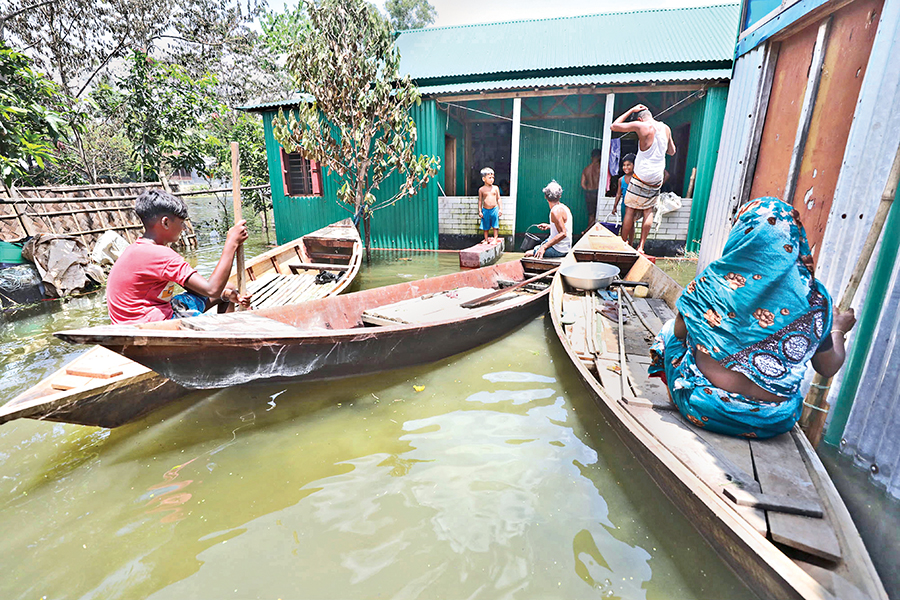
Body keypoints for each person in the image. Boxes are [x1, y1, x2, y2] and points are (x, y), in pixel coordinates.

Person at [648, 197, 856, 439]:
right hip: (774, 420)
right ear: (794, 239)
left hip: (705, 408)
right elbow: (828, 367)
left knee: (669, 332)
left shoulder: (712, 281)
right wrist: (838, 329)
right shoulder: (815, 299)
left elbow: (679, 333)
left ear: (741, 234)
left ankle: (678, 395)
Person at [106, 189, 251, 324]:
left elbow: (201, 289)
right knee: (220, 291)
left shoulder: (136, 249)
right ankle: (227, 336)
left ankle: (227, 330)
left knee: (227, 288)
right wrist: (231, 243)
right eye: (181, 223)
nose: (183, 228)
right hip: (151, 327)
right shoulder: (161, 255)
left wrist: (226, 294)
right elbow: (212, 289)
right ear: (165, 222)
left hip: (135, 320)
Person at [611, 104, 675, 253]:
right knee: (648, 210)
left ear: (639, 119)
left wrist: (631, 110)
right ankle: (641, 247)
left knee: (630, 209)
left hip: (641, 175)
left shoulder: (642, 126)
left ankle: (623, 243)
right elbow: (672, 151)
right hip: (657, 177)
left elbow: (614, 126)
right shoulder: (666, 128)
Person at [524, 180, 572, 259]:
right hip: (564, 246)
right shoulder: (564, 207)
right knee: (537, 247)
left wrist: (544, 247)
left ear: (545, 197)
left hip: (559, 250)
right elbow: (564, 226)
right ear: (560, 196)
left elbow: (563, 233)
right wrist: (550, 226)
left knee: (527, 253)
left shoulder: (555, 211)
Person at [611, 153, 635, 242]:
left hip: (634, 205)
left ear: (634, 165)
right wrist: (614, 206)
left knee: (631, 225)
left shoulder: (636, 178)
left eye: (628, 165)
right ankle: (623, 241)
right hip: (624, 205)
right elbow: (618, 194)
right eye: (624, 165)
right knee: (624, 224)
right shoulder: (621, 180)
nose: (626, 167)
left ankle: (630, 243)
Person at [478, 167, 502, 243]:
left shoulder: (495, 188)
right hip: (485, 210)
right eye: (490, 178)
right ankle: (486, 239)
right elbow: (480, 200)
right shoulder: (481, 189)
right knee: (485, 225)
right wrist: (480, 211)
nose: (492, 179)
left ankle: (495, 239)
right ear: (484, 179)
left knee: (495, 225)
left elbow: (498, 199)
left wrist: (500, 209)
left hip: (494, 209)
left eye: (493, 178)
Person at [581, 148, 602, 229]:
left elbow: (582, 184)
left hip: (589, 193)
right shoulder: (601, 168)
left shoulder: (586, 169)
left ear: (591, 157)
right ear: (599, 157)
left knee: (591, 214)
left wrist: (588, 189)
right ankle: (588, 231)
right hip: (597, 192)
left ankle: (588, 231)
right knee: (598, 213)